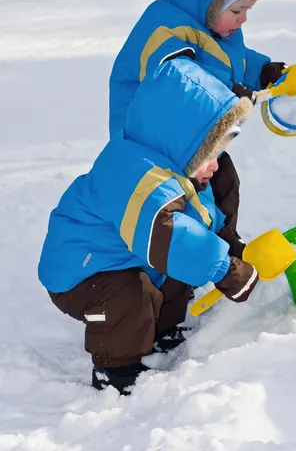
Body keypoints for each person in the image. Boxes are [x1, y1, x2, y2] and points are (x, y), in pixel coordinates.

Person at [38, 58, 259, 395]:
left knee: (171, 271)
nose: (216, 164)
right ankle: (116, 369)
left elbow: (201, 221)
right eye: (211, 154)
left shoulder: (171, 166)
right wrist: (226, 269)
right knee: (130, 293)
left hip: (125, 255)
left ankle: (159, 330)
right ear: (181, 143)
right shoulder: (134, 173)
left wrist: (229, 245)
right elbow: (171, 237)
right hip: (81, 274)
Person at [109, 0, 286, 259]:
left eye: (248, 10)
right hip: (153, 146)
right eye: (237, 10)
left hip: (188, 141)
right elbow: (176, 84)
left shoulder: (217, 29)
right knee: (176, 206)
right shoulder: (165, 33)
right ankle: (173, 273)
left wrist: (261, 71)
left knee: (222, 183)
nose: (243, 20)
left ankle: (222, 246)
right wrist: (227, 92)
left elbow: (231, 62)